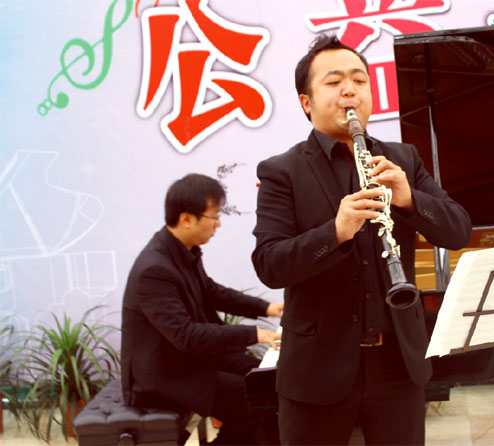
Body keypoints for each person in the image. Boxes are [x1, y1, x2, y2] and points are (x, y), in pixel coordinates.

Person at [252, 35, 472, 445]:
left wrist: (409, 199)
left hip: (398, 365)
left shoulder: (403, 159)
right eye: (334, 82)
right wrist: (335, 232)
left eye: (359, 80)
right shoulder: (282, 171)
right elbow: (269, 263)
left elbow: (459, 230)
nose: (350, 90)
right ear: (306, 102)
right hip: (317, 370)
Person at [121, 173, 283, 445]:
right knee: (260, 404)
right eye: (214, 216)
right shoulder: (154, 269)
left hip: (189, 360)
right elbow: (186, 335)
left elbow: (210, 291)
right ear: (187, 219)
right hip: (164, 375)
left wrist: (268, 308)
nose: (218, 223)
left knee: (266, 382)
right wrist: (256, 334)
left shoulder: (182, 249)